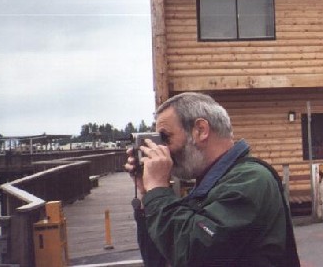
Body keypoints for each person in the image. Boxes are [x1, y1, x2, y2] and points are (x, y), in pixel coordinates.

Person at [124, 92, 300, 267]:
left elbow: (194, 256)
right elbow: (162, 259)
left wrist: (158, 191)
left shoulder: (251, 180)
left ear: (201, 130)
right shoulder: (211, 185)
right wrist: (148, 194)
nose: (163, 149)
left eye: (165, 138)